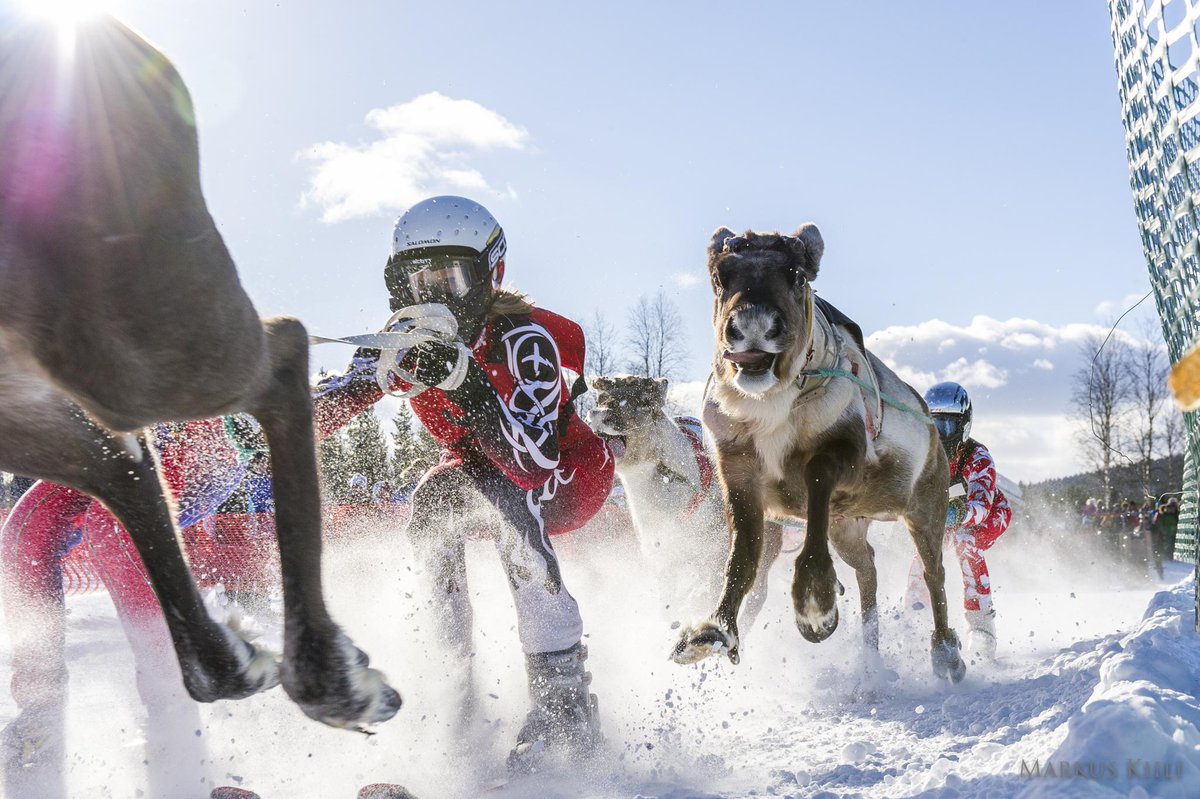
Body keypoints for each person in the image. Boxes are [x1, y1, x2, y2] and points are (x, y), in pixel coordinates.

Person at [312, 196, 614, 771]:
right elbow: (340, 399)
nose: (434, 297)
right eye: (418, 281)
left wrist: (464, 382)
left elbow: (532, 462)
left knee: (501, 497)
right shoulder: (408, 337)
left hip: (568, 472)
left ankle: (564, 702)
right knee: (431, 498)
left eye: (450, 278)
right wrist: (263, 432)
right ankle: (455, 689)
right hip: (483, 468)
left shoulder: (526, 341)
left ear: (487, 275)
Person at [906, 382, 1012, 660]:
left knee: (966, 542)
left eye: (947, 428)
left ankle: (981, 625)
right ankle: (914, 614)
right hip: (948, 517)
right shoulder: (926, 458)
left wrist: (955, 513)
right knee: (926, 548)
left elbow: (981, 504)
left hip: (989, 515)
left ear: (963, 426)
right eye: (933, 426)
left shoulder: (977, 458)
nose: (939, 436)